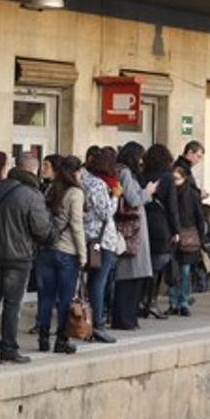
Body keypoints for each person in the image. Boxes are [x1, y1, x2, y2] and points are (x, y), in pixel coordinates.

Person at [0, 153, 53, 363]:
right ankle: (8, 349)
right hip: (18, 257)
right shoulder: (32, 194)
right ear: (34, 170)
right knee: (12, 304)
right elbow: (41, 229)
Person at [34, 155, 86, 354]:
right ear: (74, 172)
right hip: (67, 251)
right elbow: (76, 225)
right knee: (65, 298)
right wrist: (83, 253)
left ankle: (43, 338)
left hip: (46, 250)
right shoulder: (75, 193)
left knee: (45, 297)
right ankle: (61, 339)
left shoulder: (50, 189)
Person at [111, 142, 157, 330]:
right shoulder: (126, 173)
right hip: (132, 230)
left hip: (131, 228)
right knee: (130, 277)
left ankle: (127, 318)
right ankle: (125, 319)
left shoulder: (121, 171)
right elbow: (134, 199)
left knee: (132, 276)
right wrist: (148, 192)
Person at [81, 147, 120, 344]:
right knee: (98, 281)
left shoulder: (84, 179)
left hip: (90, 236)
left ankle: (89, 322)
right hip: (101, 240)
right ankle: (97, 324)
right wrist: (115, 196)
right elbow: (106, 212)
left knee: (93, 282)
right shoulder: (97, 184)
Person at [141, 144, 179, 319]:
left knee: (145, 264)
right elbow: (172, 207)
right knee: (158, 265)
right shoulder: (167, 178)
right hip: (161, 225)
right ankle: (152, 301)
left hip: (143, 223)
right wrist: (176, 230)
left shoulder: (142, 176)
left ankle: (142, 301)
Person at [169, 164, 204, 316]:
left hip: (188, 235)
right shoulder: (168, 192)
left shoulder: (191, 195)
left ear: (184, 178)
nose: (174, 182)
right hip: (171, 235)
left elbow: (199, 217)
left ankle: (182, 301)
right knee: (172, 270)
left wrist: (201, 238)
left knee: (184, 270)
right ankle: (173, 302)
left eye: (176, 178)